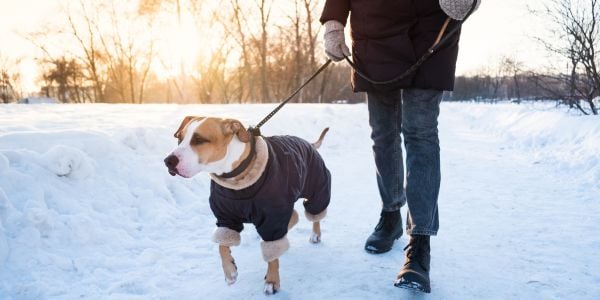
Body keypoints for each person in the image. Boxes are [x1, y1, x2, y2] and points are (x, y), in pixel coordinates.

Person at [320, 0, 480, 293]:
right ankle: (391, 212)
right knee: (383, 134)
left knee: (420, 134)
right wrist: (334, 25)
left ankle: (420, 244)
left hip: (431, 30)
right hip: (374, 31)